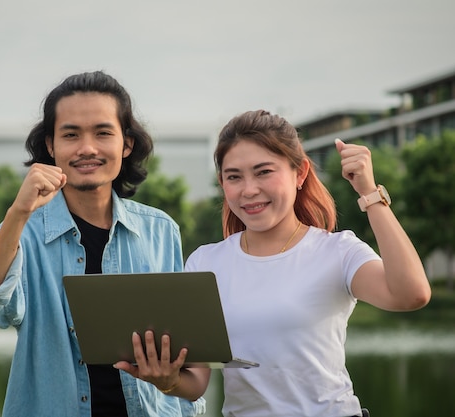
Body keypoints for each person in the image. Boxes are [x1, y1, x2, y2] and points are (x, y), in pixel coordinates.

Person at [0, 71, 209, 417]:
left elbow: (186, 355)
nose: (87, 148)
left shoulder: (160, 230)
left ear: (126, 144)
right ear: (51, 145)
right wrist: (18, 212)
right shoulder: (23, 231)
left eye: (103, 133)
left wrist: (167, 377)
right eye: (71, 134)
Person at [184, 109, 431, 417]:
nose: (249, 190)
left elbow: (411, 294)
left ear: (299, 173)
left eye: (264, 172)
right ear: (222, 183)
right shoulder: (205, 262)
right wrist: (165, 378)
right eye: (234, 177)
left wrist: (370, 193)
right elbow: (195, 380)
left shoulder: (337, 251)